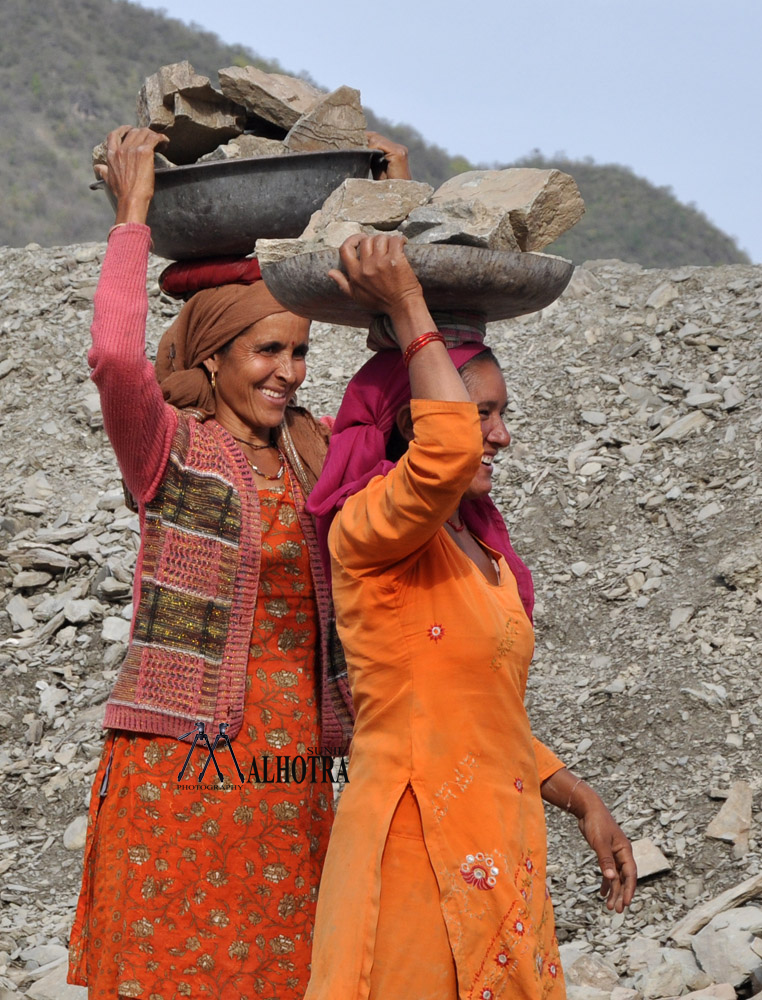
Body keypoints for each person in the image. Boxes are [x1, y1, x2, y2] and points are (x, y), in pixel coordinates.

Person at [304, 234, 637, 1000]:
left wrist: (582, 799)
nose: (499, 434)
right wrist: (408, 309)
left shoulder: (480, 555)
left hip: (496, 841)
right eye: (480, 412)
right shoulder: (367, 529)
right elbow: (444, 454)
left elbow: (484, 715)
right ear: (412, 418)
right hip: (412, 848)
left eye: (499, 413)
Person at [67, 125, 356, 1000]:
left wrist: (397, 226)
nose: (291, 373)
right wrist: (134, 215)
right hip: (180, 773)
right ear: (213, 355)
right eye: (269, 351)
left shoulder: (318, 456)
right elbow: (115, 355)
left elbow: (417, 423)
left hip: (295, 774)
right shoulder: (169, 451)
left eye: (302, 351)